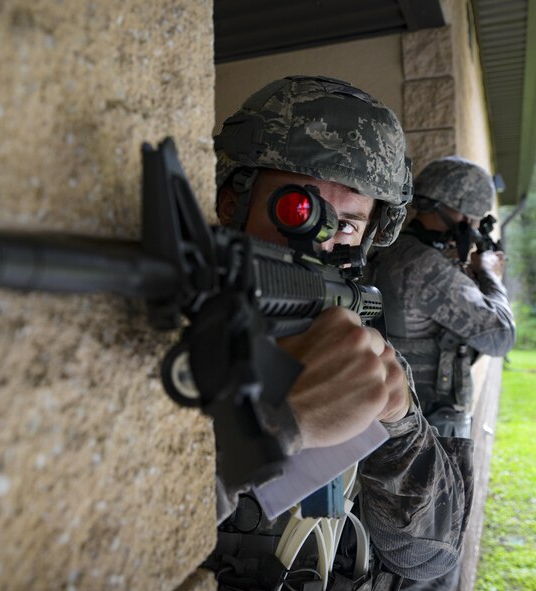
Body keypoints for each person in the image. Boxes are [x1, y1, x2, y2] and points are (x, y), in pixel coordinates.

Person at [204, 76, 474, 591]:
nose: (319, 240)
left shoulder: (353, 342)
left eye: (347, 225)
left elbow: (430, 559)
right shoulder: (175, 332)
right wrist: (280, 423)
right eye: (297, 208)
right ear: (230, 203)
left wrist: (398, 428)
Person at [368, 156, 516, 439]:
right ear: (455, 210)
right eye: (472, 216)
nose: (474, 225)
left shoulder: (396, 250)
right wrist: (491, 275)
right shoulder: (422, 265)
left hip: (405, 419)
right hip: (426, 427)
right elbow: (500, 336)